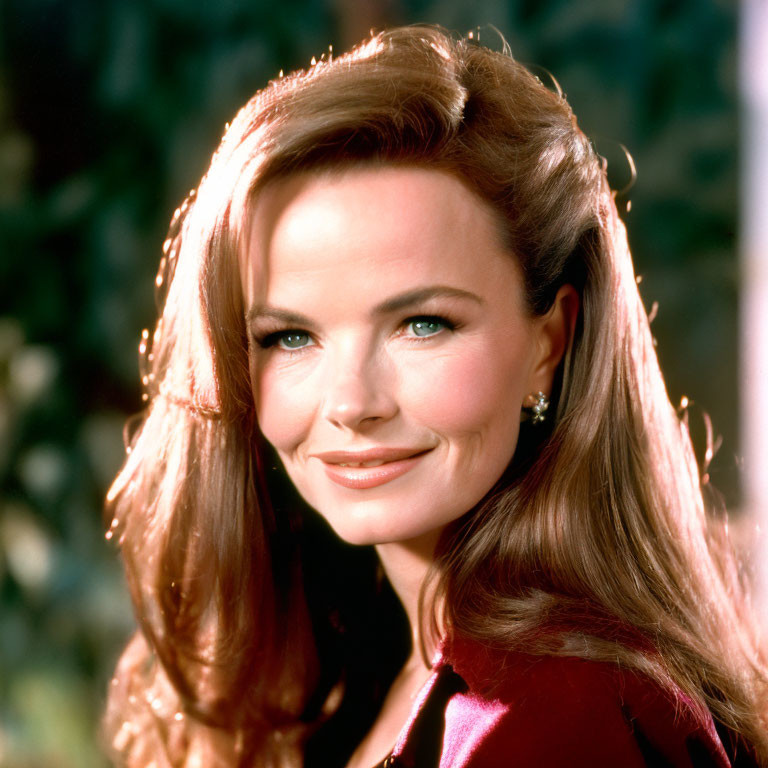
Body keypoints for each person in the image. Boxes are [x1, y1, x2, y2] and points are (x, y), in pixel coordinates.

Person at [102, 25, 768, 768]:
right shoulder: (380, 663)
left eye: (423, 324)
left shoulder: (559, 716)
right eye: (290, 337)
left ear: (550, 341)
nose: (353, 402)